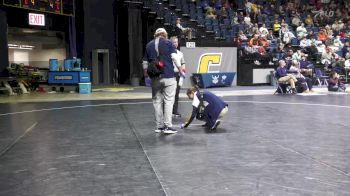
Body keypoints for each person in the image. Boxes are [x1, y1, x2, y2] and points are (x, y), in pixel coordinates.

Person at [143, 28, 184, 134]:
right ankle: (168, 126)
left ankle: (159, 126)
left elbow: (144, 63)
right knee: (169, 101)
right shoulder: (168, 43)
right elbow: (175, 57)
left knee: (157, 101)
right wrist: (180, 70)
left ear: (155, 35)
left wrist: (146, 75)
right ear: (165, 35)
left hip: (155, 78)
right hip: (169, 75)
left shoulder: (149, 45)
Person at [170, 36, 186, 118]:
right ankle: (167, 112)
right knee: (169, 94)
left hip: (178, 75)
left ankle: (175, 111)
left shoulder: (180, 53)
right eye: (173, 42)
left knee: (176, 94)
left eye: (176, 42)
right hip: (170, 75)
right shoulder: (168, 53)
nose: (175, 43)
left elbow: (183, 63)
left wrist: (183, 71)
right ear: (170, 43)